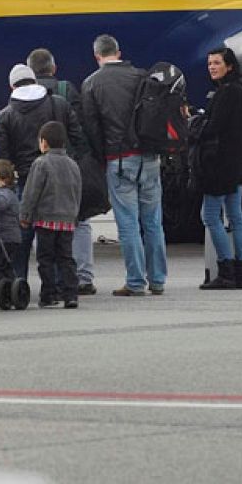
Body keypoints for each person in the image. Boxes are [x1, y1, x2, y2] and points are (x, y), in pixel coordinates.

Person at [82, 34, 167, 296]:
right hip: (149, 157)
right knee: (153, 222)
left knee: (128, 223)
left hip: (119, 160)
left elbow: (92, 128)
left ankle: (135, 282)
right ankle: (158, 280)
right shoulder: (141, 75)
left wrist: (101, 157)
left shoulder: (92, 83)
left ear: (97, 56)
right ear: (118, 52)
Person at [28, 47, 96, 296]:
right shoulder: (67, 91)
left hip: (40, 166)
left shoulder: (25, 99)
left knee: (43, 224)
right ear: (53, 69)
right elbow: (81, 131)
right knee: (79, 221)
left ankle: (52, 281)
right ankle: (82, 277)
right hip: (69, 165)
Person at [196, 47, 242, 290]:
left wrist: (195, 123)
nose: (212, 67)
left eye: (217, 63)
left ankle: (226, 269)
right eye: (210, 63)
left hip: (221, 166)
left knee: (210, 216)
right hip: (236, 165)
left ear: (229, 66)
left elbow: (213, 128)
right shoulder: (238, 92)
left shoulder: (225, 93)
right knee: (235, 216)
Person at [20, 122, 82, 308]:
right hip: (67, 219)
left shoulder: (41, 163)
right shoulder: (73, 164)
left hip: (46, 219)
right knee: (66, 257)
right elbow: (77, 191)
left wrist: (25, 214)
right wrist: (75, 214)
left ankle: (49, 294)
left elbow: (32, 192)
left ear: (43, 142)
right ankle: (71, 294)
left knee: (45, 258)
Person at [0, 159, 25, 284]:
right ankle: (8, 284)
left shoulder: (6, 194)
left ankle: (5, 286)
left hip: (8, 238)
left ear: (4, 179)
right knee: (2, 265)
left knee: (2, 265)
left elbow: (1, 203)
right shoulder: (1, 192)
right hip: (2, 237)